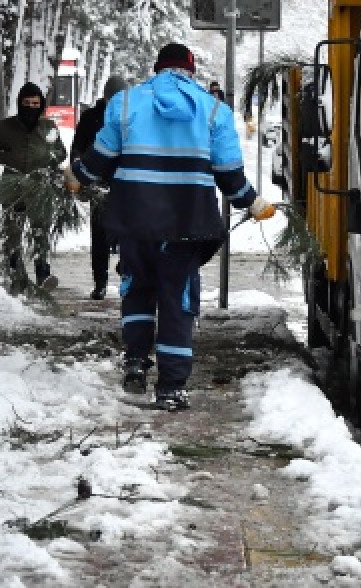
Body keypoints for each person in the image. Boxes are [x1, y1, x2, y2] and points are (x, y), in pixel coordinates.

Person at [69, 43, 276, 411]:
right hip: (186, 224)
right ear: (190, 71)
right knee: (178, 301)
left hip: (134, 220)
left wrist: (77, 177)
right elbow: (229, 176)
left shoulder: (127, 103)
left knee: (136, 290)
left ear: (158, 67)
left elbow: (99, 160)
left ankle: (135, 362)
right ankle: (171, 388)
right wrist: (254, 203)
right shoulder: (214, 111)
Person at [0, 82, 68, 293]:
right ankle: (16, 273)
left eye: (36, 103)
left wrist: (50, 158)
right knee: (14, 233)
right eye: (27, 103)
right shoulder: (6, 127)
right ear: (20, 103)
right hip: (13, 187)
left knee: (41, 232)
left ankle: (43, 273)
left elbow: (61, 153)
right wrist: (8, 157)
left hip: (39, 187)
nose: (31, 107)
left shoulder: (48, 127)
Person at [70, 75, 131, 300]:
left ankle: (126, 272)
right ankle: (100, 281)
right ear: (105, 97)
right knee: (99, 237)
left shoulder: (131, 117)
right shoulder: (90, 118)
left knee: (127, 234)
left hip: (125, 185)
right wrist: (79, 168)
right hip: (98, 184)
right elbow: (77, 147)